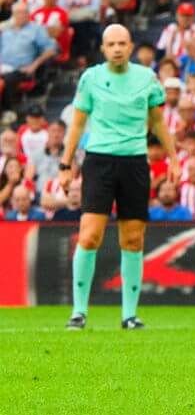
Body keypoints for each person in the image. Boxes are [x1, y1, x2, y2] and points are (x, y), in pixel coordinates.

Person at [60, 24, 178, 330]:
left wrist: (175, 158)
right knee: (89, 235)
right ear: (103, 48)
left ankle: (129, 315)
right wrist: (65, 162)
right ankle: (79, 311)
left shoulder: (147, 79)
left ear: (131, 47)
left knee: (133, 238)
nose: (116, 49)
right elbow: (76, 124)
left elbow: (158, 123)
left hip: (135, 163)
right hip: (99, 161)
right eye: (110, 44)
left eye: (122, 43)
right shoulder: (91, 78)